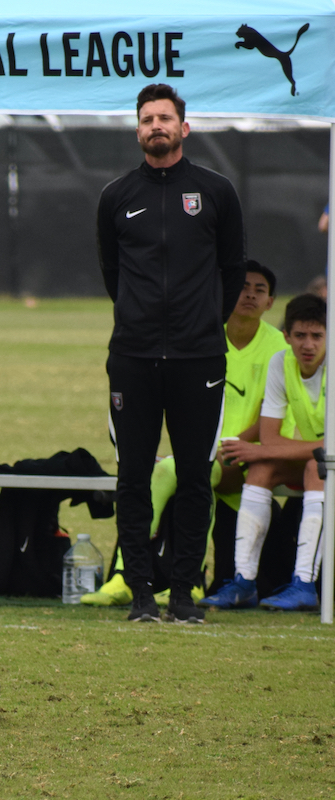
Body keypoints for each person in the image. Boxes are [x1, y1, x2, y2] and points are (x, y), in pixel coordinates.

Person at [96, 83, 246, 624]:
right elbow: (113, 273)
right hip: (132, 359)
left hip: (198, 358)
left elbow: (232, 270)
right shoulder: (116, 196)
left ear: (185, 127)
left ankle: (183, 593)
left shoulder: (216, 191)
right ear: (137, 130)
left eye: (164, 118)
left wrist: (203, 324)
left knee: (194, 477)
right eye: (146, 119)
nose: (155, 126)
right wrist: (139, 322)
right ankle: (140, 594)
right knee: (133, 477)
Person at [83, 261, 287, 607]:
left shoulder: (278, 348)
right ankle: (128, 577)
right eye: (243, 287)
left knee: (179, 471)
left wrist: (230, 445)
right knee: (150, 471)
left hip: (250, 454)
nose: (250, 295)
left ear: (270, 301)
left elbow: (274, 414)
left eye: (260, 290)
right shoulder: (203, 336)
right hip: (206, 449)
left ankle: (183, 581)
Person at [208, 295, 327, 612]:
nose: (308, 345)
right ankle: (243, 582)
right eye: (300, 335)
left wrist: (260, 449)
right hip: (319, 459)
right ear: (286, 335)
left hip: (324, 463)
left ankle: (304, 584)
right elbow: (271, 436)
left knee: (317, 467)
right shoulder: (281, 362)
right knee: (262, 469)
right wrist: (260, 451)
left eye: (317, 336)